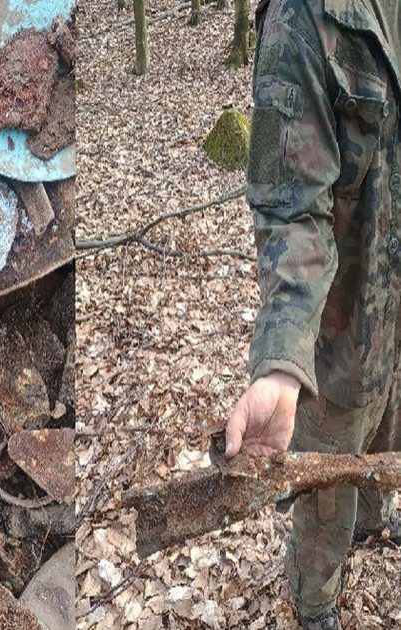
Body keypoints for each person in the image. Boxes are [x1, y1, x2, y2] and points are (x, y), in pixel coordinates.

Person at [230, 1, 401, 627]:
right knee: (326, 499)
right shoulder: (304, 19)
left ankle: (376, 515)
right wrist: (281, 363)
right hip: (340, 338)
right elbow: (294, 210)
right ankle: (313, 602)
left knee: (387, 441)